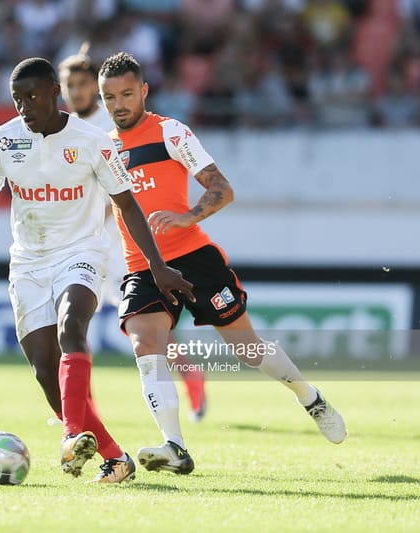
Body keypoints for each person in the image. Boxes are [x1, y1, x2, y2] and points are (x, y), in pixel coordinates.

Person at [97, 51, 347, 475]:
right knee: (145, 344)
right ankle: (174, 445)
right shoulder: (102, 148)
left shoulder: (170, 133)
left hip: (194, 259)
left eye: (125, 94)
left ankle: (309, 396)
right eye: (108, 97)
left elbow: (222, 188)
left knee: (248, 350)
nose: (118, 104)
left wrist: (187, 216)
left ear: (143, 91)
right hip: (142, 267)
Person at [0, 57, 194, 484]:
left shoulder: (94, 141)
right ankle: (115, 458)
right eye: (17, 99)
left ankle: (70, 435)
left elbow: (128, 205)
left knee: (71, 326)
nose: (24, 107)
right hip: (27, 262)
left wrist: (157, 265)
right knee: (46, 371)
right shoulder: (1, 142)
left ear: (53, 94)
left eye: (33, 97)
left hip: (81, 253)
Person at [59, 47, 210, 422]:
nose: (76, 93)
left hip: (119, 241)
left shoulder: (106, 125)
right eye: (69, 86)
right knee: (72, 324)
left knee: (141, 326)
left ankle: (191, 377)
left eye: (82, 85)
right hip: (84, 241)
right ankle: (79, 411)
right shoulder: (62, 129)